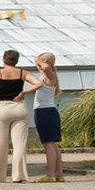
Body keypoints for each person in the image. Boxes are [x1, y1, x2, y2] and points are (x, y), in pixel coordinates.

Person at [0, 49, 33, 184]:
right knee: (19, 144)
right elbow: (39, 83)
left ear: (3, 60)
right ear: (16, 61)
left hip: (2, 108)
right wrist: (24, 92)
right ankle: (19, 176)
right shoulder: (22, 73)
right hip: (20, 108)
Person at [28, 52, 65, 182]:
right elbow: (42, 67)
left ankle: (50, 174)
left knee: (49, 144)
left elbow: (46, 67)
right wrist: (39, 62)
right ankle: (58, 173)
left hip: (45, 111)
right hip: (45, 111)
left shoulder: (50, 75)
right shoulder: (45, 76)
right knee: (52, 144)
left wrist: (42, 61)